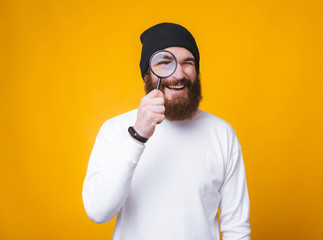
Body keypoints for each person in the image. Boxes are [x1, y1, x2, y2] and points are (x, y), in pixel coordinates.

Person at [82, 22, 251, 240]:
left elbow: (236, 227)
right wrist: (137, 136)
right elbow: (98, 212)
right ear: (147, 75)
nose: (178, 74)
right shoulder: (115, 130)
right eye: (165, 62)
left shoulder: (222, 134)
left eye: (187, 63)